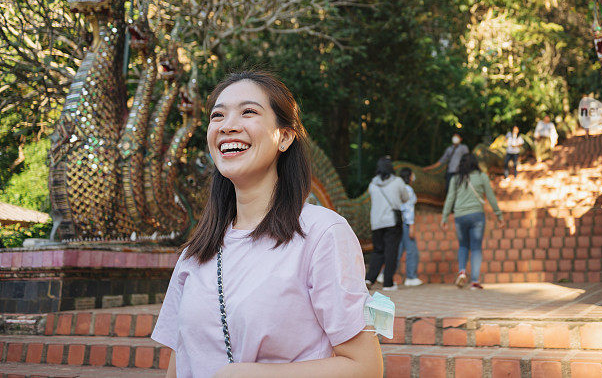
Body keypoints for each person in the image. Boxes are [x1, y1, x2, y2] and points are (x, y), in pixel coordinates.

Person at [151, 71, 382, 378]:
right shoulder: (195, 252)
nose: (228, 125)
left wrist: (249, 374)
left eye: (248, 112)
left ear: (284, 136)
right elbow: (179, 362)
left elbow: (366, 367)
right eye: (217, 115)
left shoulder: (322, 235)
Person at [440, 153, 504, 289]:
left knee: (463, 245)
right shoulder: (482, 177)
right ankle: (474, 281)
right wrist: (499, 215)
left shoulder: (456, 179)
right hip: (476, 216)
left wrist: (444, 217)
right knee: (475, 247)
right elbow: (491, 197)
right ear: (476, 163)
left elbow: (450, 198)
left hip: (460, 216)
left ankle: (462, 271)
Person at [365, 156, 408, 291]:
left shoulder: (372, 184)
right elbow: (405, 198)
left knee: (378, 251)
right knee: (391, 252)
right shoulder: (398, 182)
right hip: (392, 222)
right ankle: (388, 283)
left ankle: (369, 279)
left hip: (376, 223)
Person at [397, 167, 422, 286]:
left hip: (398, 222)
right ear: (409, 176)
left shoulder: (399, 189)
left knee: (398, 250)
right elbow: (409, 209)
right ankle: (411, 277)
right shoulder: (408, 190)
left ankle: (383, 274)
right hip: (406, 223)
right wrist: (411, 225)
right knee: (412, 250)